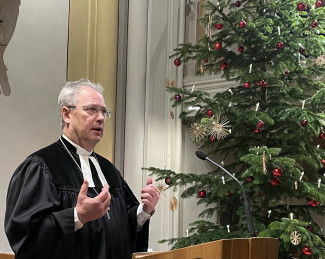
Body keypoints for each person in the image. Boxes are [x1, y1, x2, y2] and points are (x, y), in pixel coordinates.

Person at [5, 79, 160, 259]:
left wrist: (143, 212)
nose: (101, 118)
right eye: (92, 109)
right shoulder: (41, 166)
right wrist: (77, 216)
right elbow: (25, 237)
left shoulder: (108, 170)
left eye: (103, 111)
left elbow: (120, 231)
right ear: (66, 114)